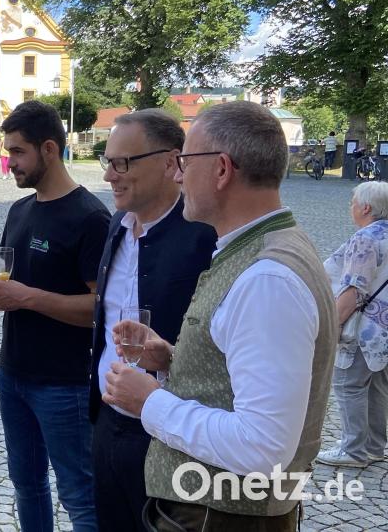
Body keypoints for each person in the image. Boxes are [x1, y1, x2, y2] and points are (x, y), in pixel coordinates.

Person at [104, 100, 338, 530]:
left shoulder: (267, 278)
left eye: (184, 161)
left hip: (221, 517)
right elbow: (245, 377)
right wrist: (173, 358)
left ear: (222, 169)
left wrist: (149, 401)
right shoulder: (266, 251)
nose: (177, 174)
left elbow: (262, 447)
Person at [0, 100, 108, 532]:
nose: (9, 161)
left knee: (79, 495)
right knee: (27, 484)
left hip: (64, 383)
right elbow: (17, 282)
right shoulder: (20, 210)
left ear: (49, 149)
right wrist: (4, 293)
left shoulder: (90, 217)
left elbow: (100, 309)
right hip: (12, 372)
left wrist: (26, 297)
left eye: (17, 152)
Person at [90, 110, 216, 531]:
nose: (110, 175)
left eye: (123, 163)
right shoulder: (116, 225)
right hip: (109, 422)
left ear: (170, 163)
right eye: (107, 161)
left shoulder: (205, 235)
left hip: (170, 432)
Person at [317, 181, 388, 467]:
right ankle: (374, 446)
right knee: (378, 386)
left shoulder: (364, 239)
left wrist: (329, 329)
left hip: (363, 329)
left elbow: (352, 291)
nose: (351, 207)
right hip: (385, 328)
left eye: (352, 202)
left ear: (366, 208)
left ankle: (353, 449)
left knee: (349, 384)